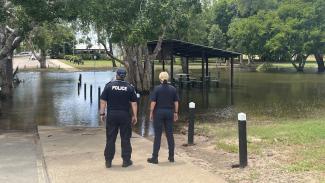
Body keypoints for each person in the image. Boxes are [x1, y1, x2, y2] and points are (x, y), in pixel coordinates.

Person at [100, 68, 138, 168]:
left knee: (110, 138)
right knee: (125, 138)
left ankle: (108, 161)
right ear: (124, 76)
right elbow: (134, 103)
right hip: (125, 115)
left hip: (112, 115)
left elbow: (103, 101)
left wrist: (102, 114)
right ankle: (126, 161)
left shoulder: (109, 86)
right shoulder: (129, 87)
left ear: (116, 75)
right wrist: (135, 116)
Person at [147, 71, 179, 164]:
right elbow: (176, 102)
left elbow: (153, 102)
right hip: (169, 112)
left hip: (159, 113)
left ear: (160, 78)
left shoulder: (157, 89)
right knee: (170, 135)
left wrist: (151, 112)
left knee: (158, 135)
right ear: (167, 78)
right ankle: (171, 156)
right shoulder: (173, 89)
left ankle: (155, 158)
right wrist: (176, 113)